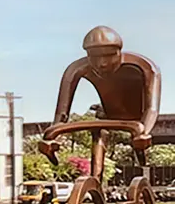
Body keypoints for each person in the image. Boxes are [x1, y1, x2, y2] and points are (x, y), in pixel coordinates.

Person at [38, 26, 161, 165]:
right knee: (99, 131)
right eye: (94, 57)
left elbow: (152, 109)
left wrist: (144, 132)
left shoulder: (145, 67)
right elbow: (61, 115)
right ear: (88, 56)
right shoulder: (75, 69)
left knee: (121, 133)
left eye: (109, 56)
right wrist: (52, 138)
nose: (102, 63)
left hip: (137, 118)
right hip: (107, 115)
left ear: (119, 52)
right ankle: (95, 178)